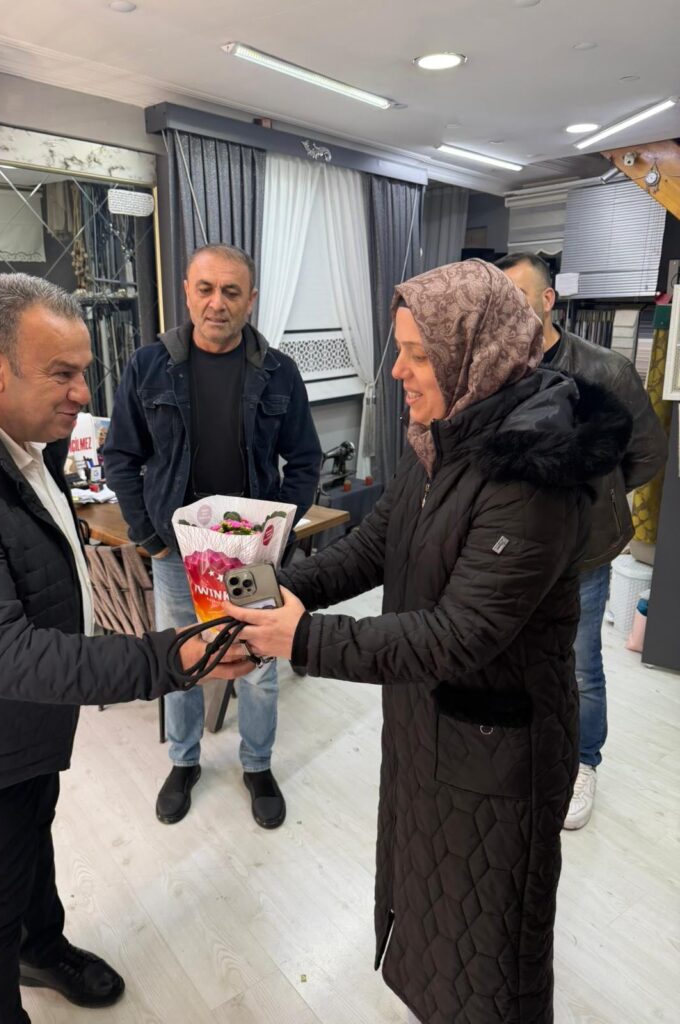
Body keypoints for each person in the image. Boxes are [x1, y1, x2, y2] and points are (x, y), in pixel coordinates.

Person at [222, 259, 633, 1024]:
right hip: (430, 731)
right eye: (400, 350)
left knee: (491, 957)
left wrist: (301, 639)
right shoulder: (441, 439)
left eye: (416, 354)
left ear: (471, 354)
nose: (398, 372)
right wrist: (271, 589)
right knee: (434, 918)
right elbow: (371, 547)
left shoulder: (533, 474)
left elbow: (458, 635)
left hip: (497, 754)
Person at [0, 273, 249, 1024]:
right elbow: (3, 655)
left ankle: (42, 948)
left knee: (31, 844)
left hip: (20, 721)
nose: (82, 393)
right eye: (62, 373)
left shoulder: (21, 435)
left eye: (85, 370)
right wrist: (168, 657)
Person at [104, 244, 321, 830]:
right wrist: (148, 534)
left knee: (259, 661)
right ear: (187, 292)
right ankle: (183, 761)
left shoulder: (279, 372)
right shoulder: (148, 366)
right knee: (181, 658)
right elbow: (121, 456)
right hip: (177, 552)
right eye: (205, 288)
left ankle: (257, 765)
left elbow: (305, 461)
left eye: (231, 291)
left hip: (251, 557)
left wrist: (277, 535)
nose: (216, 303)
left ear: (251, 300)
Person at [496, 252, 667, 829]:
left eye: (520, 297)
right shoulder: (496, 371)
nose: (509, 311)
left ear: (548, 301)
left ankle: (583, 762)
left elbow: (647, 454)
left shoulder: (604, 370)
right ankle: (530, 749)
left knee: (580, 663)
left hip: (582, 549)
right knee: (515, 653)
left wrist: (598, 494)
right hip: (513, 547)